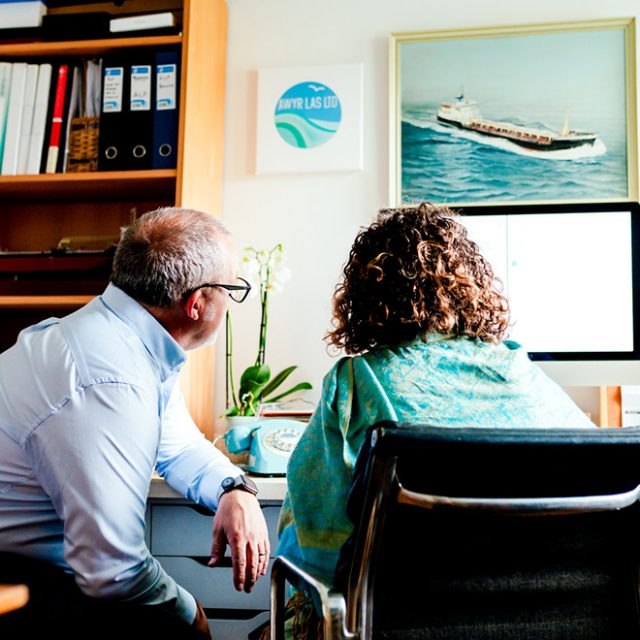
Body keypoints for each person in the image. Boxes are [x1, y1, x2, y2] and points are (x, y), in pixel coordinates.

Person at [276, 202, 594, 636]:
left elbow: (313, 544)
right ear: (473, 285)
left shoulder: (358, 382)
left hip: (403, 622)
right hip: (548, 623)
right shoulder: (525, 373)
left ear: (368, 295)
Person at [0, 207, 270, 639]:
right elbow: (112, 570)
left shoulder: (128, 341)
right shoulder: (110, 378)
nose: (232, 301)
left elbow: (178, 445)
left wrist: (233, 489)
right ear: (197, 303)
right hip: (16, 581)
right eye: (231, 289)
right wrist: (191, 612)